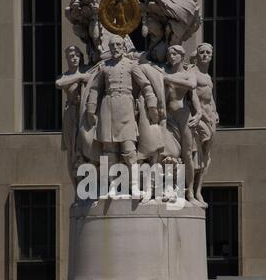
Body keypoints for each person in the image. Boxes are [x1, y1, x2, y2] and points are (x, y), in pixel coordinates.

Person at [86, 35, 159, 197]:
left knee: (129, 149)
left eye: (119, 44)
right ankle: (111, 185)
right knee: (109, 150)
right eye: (112, 45)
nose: (116, 48)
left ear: (124, 47)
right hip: (108, 107)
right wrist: (91, 107)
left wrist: (152, 103)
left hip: (126, 106)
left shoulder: (132, 66)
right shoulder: (104, 67)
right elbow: (95, 89)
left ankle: (134, 185)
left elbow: (145, 85)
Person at [163, 45, 202, 204]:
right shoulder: (165, 72)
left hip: (184, 116)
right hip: (168, 117)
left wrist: (199, 113)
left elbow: (192, 89)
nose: (171, 56)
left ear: (181, 56)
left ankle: (190, 192)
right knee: (168, 154)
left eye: (174, 54)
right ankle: (170, 187)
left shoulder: (188, 73)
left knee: (187, 154)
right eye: (169, 54)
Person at [56, 45, 90, 190]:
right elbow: (59, 83)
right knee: (71, 151)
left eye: (76, 55)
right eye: (71, 56)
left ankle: (87, 184)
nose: (74, 58)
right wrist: (80, 77)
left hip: (84, 112)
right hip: (71, 113)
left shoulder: (86, 70)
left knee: (84, 148)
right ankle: (76, 187)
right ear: (67, 59)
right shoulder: (67, 76)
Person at [191, 43, 219, 206]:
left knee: (207, 158)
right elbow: (192, 96)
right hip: (199, 118)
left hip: (210, 117)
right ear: (198, 55)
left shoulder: (207, 76)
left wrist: (215, 112)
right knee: (196, 157)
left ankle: (198, 190)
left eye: (208, 53)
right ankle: (190, 190)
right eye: (202, 52)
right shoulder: (192, 73)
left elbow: (210, 97)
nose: (205, 55)